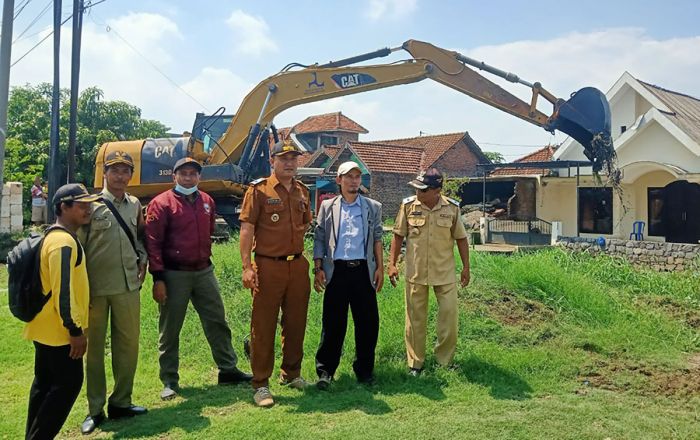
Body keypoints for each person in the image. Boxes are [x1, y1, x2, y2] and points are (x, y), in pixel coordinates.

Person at [145, 157, 252, 401]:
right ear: (174, 176)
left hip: (204, 271)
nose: (188, 178)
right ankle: (170, 379)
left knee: (217, 320)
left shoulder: (207, 201)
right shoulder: (161, 204)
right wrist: (158, 278)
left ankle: (228, 369)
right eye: (183, 174)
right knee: (170, 329)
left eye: (193, 174)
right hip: (174, 274)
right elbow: (153, 243)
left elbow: (210, 232)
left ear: (199, 177)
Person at [78, 151, 148, 435]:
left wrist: (143, 256)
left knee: (128, 347)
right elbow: (77, 248)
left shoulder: (135, 205)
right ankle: (95, 409)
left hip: (128, 288)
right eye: (114, 170)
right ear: (104, 174)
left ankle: (121, 402)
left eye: (125, 170)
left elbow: (141, 238)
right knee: (93, 351)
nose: (120, 176)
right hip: (95, 289)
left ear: (131, 175)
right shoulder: (91, 206)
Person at [239, 141, 312, 407]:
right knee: (264, 325)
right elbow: (246, 230)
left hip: (297, 265)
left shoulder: (302, 191)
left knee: (296, 323)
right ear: (273, 161)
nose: (290, 163)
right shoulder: (259, 190)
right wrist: (247, 267)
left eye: (294, 158)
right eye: (284, 159)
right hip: (268, 266)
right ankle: (260, 384)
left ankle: (291, 374)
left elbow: (306, 225)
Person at [24, 183, 100, 439]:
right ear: (62, 207)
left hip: (45, 328)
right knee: (67, 386)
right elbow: (63, 291)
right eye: (81, 205)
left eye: (89, 204)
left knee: (43, 386)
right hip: (61, 333)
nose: (87, 209)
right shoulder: (63, 243)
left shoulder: (55, 236)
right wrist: (75, 330)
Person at [387, 168, 470, 376]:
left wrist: (466, 268)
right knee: (415, 319)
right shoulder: (408, 206)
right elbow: (398, 236)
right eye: (417, 189)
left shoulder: (451, 208)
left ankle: (445, 361)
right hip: (416, 272)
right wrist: (392, 264)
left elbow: (461, 238)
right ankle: (416, 363)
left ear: (437, 190)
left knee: (449, 316)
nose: (419, 194)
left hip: (445, 272)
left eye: (423, 190)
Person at [313, 161, 384, 389]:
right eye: (349, 177)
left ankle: (364, 371)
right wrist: (318, 268)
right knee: (333, 323)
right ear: (339, 180)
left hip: (363, 270)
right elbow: (319, 238)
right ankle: (325, 371)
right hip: (337, 271)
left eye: (357, 176)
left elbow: (378, 238)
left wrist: (380, 268)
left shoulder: (372, 206)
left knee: (368, 323)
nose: (354, 181)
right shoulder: (327, 206)